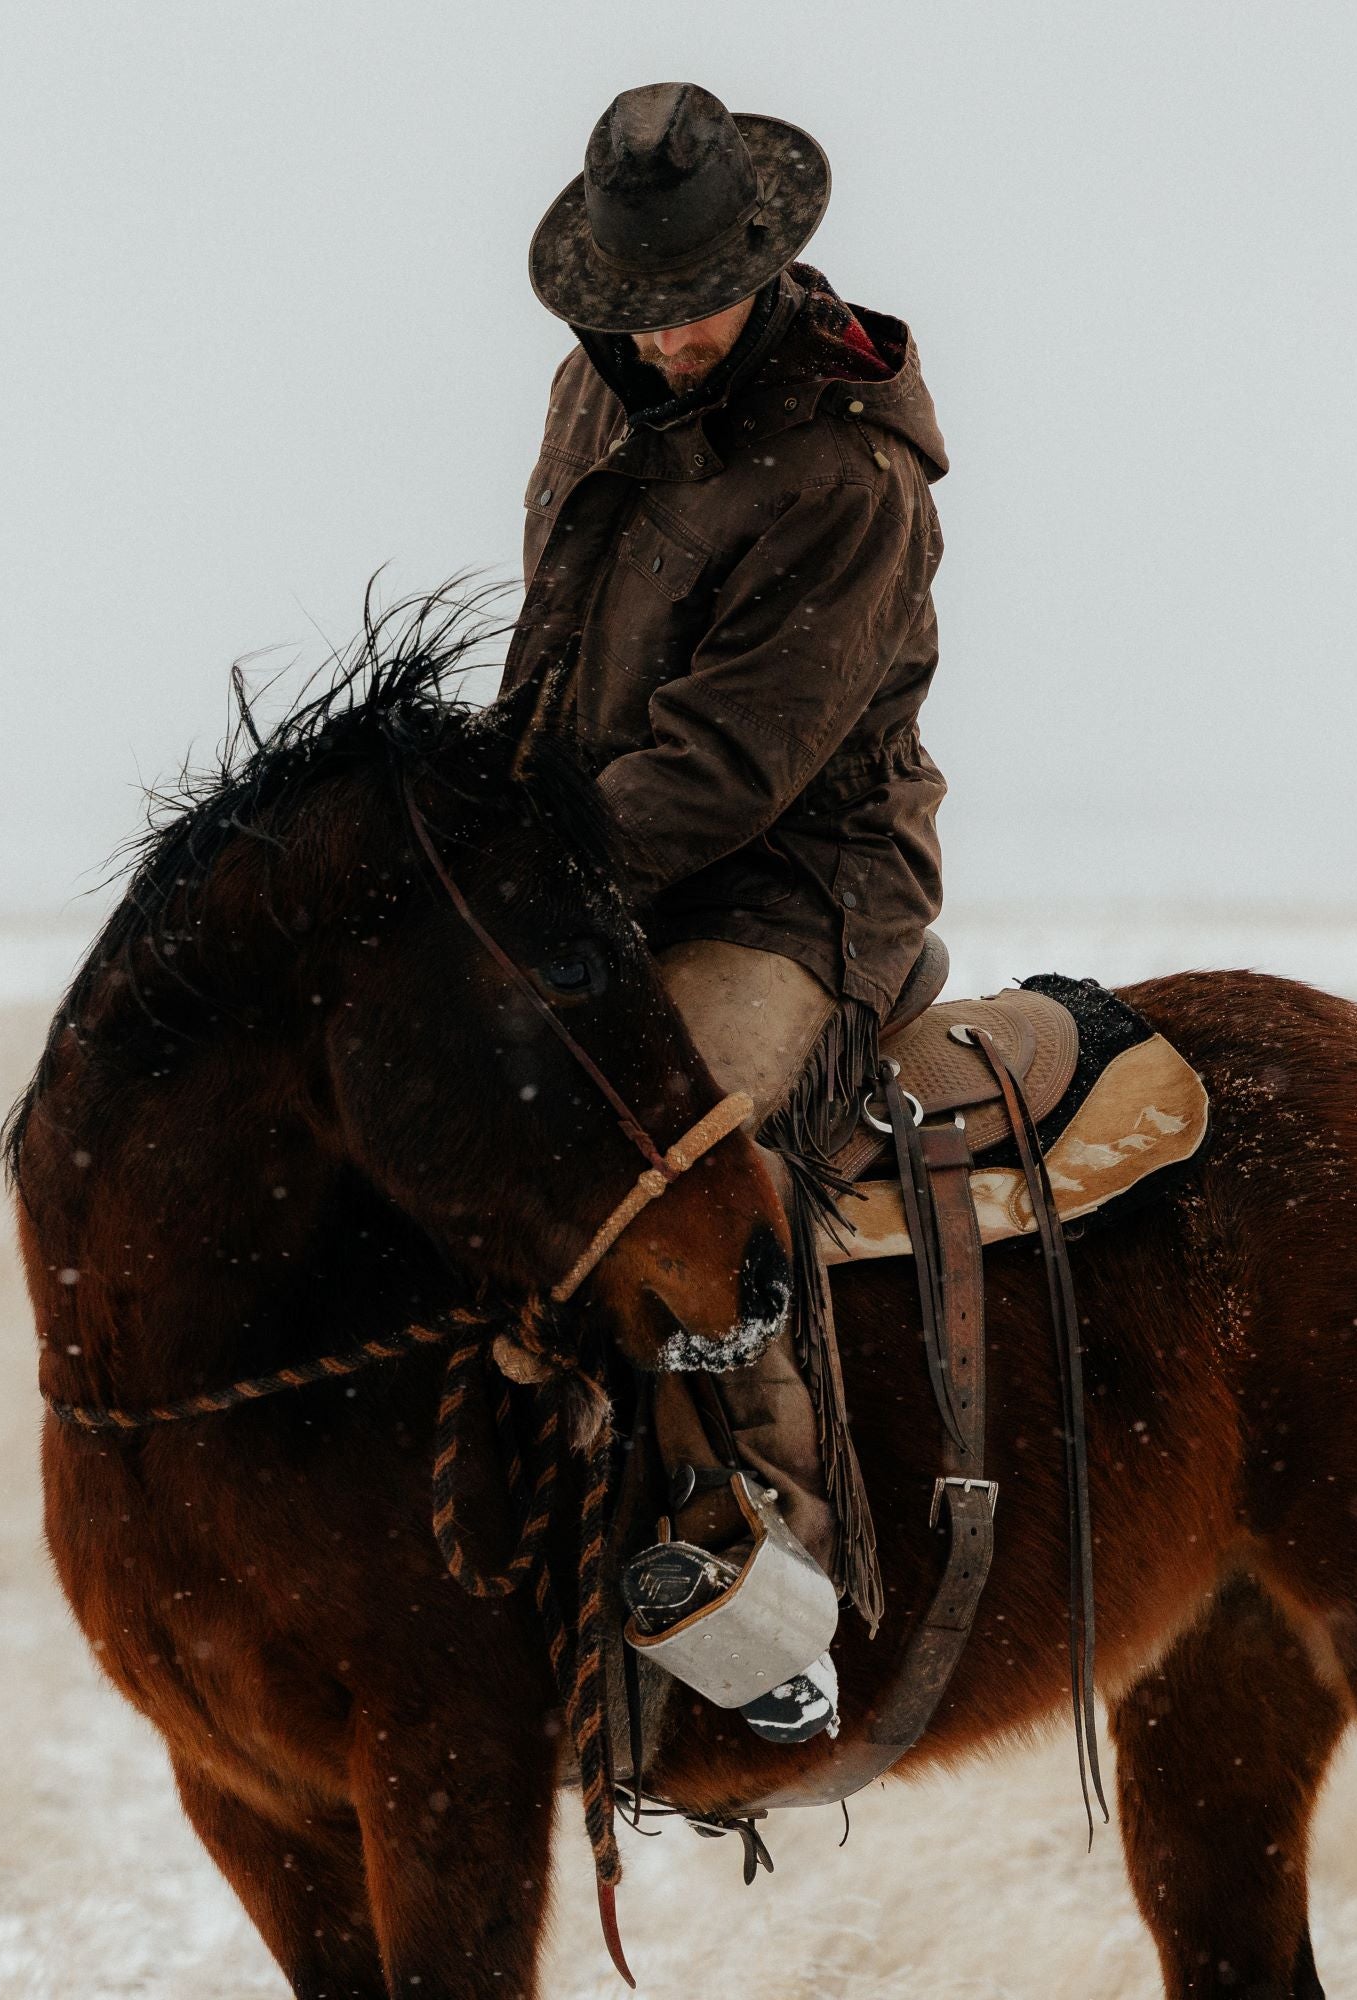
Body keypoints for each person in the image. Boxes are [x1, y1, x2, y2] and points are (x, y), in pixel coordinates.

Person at [504, 82, 949, 1745]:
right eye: (641, 307)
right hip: (602, 860)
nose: (672, 338)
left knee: (675, 1145)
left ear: (763, 263)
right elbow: (550, 656)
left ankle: (772, 1591)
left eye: (695, 303)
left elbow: (726, 771)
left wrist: (529, 880)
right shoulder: (594, 387)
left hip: (798, 885)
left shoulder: (845, 475)